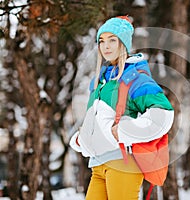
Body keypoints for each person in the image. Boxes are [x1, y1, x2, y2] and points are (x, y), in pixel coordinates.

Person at [70, 16, 174, 200]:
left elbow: (163, 114)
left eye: (112, 40)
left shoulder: (135, 78)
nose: (106, 46)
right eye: (102, 41)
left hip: (123, 162)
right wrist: (83, 138)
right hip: (98, 164)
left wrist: (124, 131)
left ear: (123, 44)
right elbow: (98, 119)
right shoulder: (100, 82)